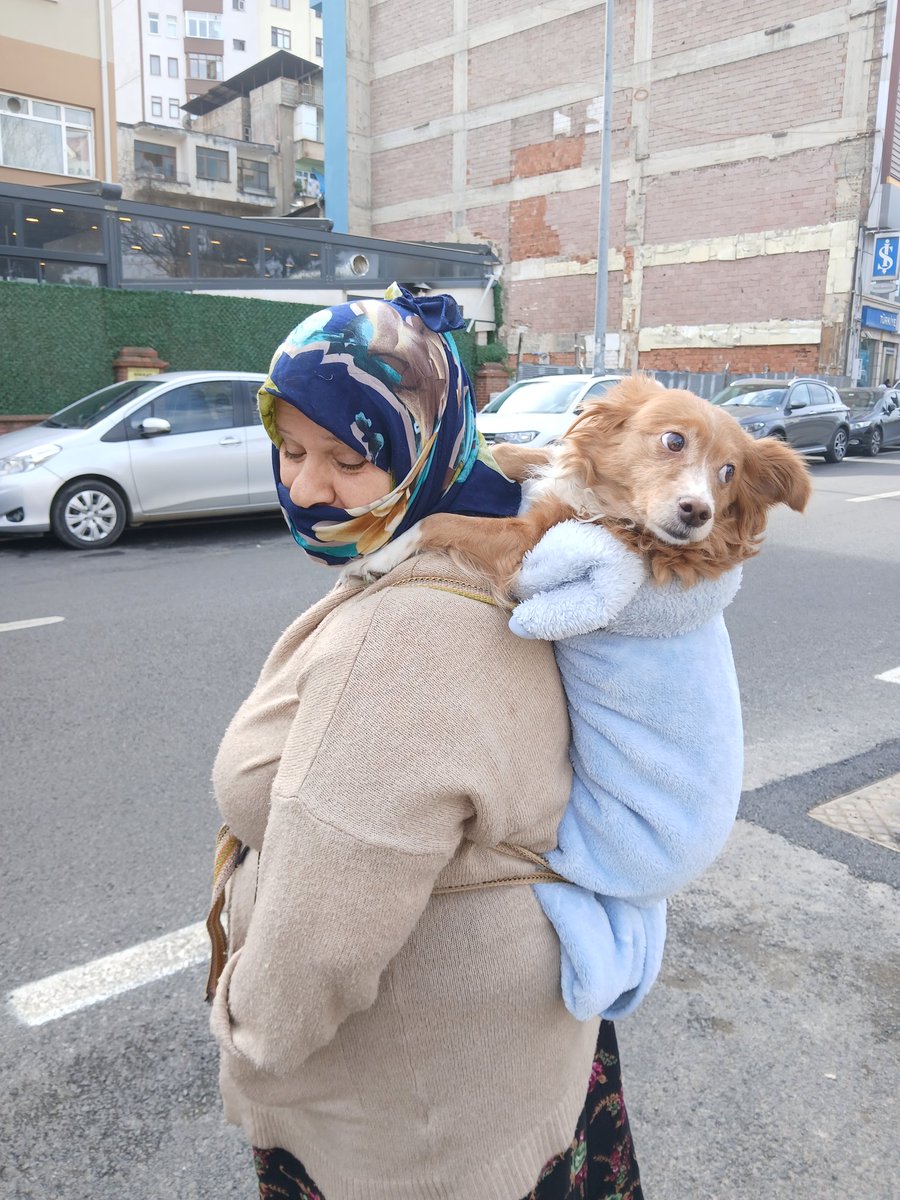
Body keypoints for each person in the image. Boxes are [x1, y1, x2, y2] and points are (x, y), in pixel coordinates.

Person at [206, 285, 645, 1200]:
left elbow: (325, 924)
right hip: (506, 1078)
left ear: (420, 442)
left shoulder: (408, 632)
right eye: (288, 450)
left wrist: (247, 1038)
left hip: (415, 1127)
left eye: (345, 456)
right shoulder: (481, 539)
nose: (302, 486)